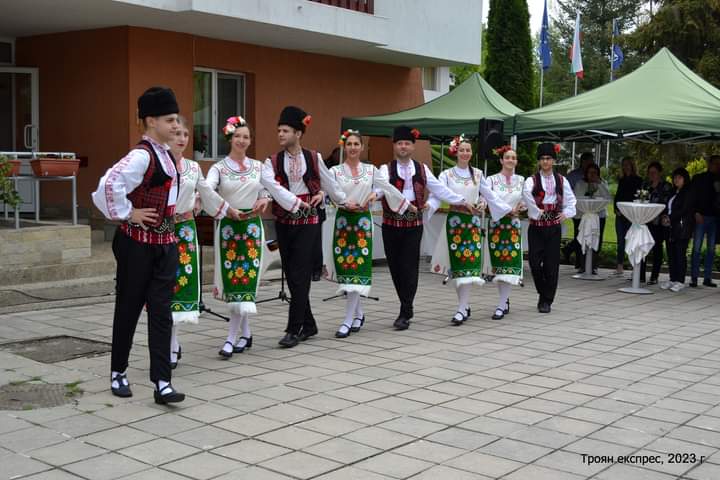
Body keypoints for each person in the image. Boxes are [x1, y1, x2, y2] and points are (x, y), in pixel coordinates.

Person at [91, 86, 186, 404]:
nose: (176, 125)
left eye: (176, 119)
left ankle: (162, 382)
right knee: (129, 308)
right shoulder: (142, 155)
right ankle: (118, 371)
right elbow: (107, 185)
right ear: (150, 120)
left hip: (165, 244)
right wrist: (128, 213)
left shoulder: (166, 155)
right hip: (137, 246)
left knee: (161, 312)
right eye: (170, 120)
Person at [261, 106, 347, 348]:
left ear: (298, 133)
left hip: (308, 220)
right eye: (279, 130)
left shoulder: (313, 157)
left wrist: (341, 200)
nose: (280, 134)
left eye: (285, 130)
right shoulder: (272, 161)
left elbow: (330, 184)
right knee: (291, 274)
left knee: (300, 272)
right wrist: (266, 198)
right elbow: (267, 187)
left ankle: (294, 328)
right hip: (284, 221)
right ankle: (308, 324)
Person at [378, 126, 472, 331]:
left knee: (409, 267)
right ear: (394, 146)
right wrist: (365, 198)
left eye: (407, 143)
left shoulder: (422, 169)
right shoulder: (385, 169)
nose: (403, 147)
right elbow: (379, 190)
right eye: (400, 143)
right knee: (395, 267)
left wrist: (462, 200)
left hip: (414, 224)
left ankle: (405, 310)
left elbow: (440, 190)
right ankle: (405, 304)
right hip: (390, 224)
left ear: (413, 146)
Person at [325, 129, 413, 337]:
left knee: (358, 268)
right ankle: (358, 314)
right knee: (346, 268)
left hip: (363, 223)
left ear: (362, 147)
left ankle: (348, 319)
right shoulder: (335, 171)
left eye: (356, 144)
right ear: (344, 146)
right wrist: (342, 201)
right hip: (343, 221)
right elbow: (330, 191)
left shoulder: (371, 170)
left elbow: (387, 188)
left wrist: (405, 204)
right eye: (349, 144)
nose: (353, 148)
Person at [167, 115, 238, 367]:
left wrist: (228, 210)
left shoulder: (193, 168)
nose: (182, 139)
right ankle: (168, 341)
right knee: (163, 286)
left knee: (181, 284)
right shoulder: (158, 164)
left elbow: (207, 194)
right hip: (162, 230)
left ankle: (172, 343)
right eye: (177, 134)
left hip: (185, 230)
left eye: (185, 135)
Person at [206, 116, 274, 358]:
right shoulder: (219, 168)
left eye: (246, 137)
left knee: (245, 281)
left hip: (252, 228)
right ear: (229, 138)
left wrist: (264, 198)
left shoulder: (258, 167)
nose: (242, 140)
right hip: (228, 228)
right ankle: (245, 333)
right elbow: (208, 188)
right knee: (234, 281)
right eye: (238, 136)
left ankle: (231, 337)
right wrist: (223, 207)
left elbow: (268, 187)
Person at [428, 135, 510, 325]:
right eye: (462, 150)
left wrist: (484, 203)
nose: (465, 153)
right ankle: (463, 305)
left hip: (472, 223)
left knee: (469, 265)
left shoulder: (478, 174)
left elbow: (488, 195)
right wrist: (430, 206)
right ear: (455, 152)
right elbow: (439, 193)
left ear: (471, 153)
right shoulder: (446, 174)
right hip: (455, 223)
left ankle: (461, 308)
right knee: (458, 265)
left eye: (468, 150)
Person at [522, 142, 577, 314]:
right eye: (542, 159)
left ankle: (546, 300)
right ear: (539, 161)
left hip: (553, 227)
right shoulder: (531, 180)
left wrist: (566, 213)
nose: (545, 161)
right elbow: (526, 195)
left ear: (553, 160)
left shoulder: (561, 180)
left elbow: (571, 201)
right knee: (534, 263)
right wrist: (535, 211)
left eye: (548, 158)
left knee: (551, 265)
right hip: (536, 227)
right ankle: (543, 292)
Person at [486, 146, 526, 320]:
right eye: (507, 157)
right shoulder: (491, 180)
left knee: (510, 263)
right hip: (496, 225)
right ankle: (504, 299)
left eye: (513, 158)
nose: (511, 160)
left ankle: (501, 304)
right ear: (501, 160)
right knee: (499, 263)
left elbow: (526, 200)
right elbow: (486, 199)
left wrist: (521, 207)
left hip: (513, 226)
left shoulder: (522, 180)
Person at [573, 163, 610, 274]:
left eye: (595, 173)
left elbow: (607, 197)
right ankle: (582, 265)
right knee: (581, 239)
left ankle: (593, 266)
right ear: (586, 173)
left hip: (598, 217)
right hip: (582, 216)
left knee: (596, 239)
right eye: (590, 172)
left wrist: (599, 184)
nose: (592, 175)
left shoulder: (602, 183)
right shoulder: (580, 184)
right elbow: (576, 198)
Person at [640, 162, 673, 285]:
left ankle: (654, 276)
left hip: (658, 223)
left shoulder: (666, 186)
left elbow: (666, 204)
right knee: (642, 247)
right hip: (645, 221)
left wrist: (656, 215)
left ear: (660, 173)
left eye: (654, 172)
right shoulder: (645, 185)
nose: (652, 175)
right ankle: (640, 275)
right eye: (650, 172)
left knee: (657, 249)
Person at [689, 155, 720, 288]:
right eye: (715, 164)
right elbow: (692, 197)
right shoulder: (699, 178)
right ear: (709, 164)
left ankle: (707, 277)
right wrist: (696, 212)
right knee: (696, 248)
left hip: (715, 218)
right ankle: (694, 277)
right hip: (701, 217)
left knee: (711, 250)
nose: (717, 166)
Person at [663, 168, 695, 292]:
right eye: (675, 177)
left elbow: (684, 209)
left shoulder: (688, 192)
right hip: (671, 226)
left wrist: (670, 217)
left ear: (685, 179)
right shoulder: (673, 191)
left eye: (679, 177)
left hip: (682, 227)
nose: (676, 180)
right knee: (671, 254)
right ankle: (673, 279)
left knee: (680, 254)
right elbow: (667, 207)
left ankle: (680, 281)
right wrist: (665, 216)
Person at [612, 157, 642, 276]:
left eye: (628, 164)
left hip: (631, 215)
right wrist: (616, 209)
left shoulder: (638, 180)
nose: (625, 167)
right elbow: (617, 196)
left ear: (632, 165)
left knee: (632, 240)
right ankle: (619, 266)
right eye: (623, 165)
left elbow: (638, 197)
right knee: (620, 241)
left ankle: (634, 267)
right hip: (620, 214)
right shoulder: (622, 180)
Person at [563, 152, 594, 268]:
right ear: (583, 162)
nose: (590, 163)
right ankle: (579, 261)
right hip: (578, 210)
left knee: (587, 234)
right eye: (588, 161)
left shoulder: (593, 174)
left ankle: (570, 251)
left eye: (591, 161)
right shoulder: (573, 175)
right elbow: (566, 191)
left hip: (591, 210)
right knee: (579, 234)